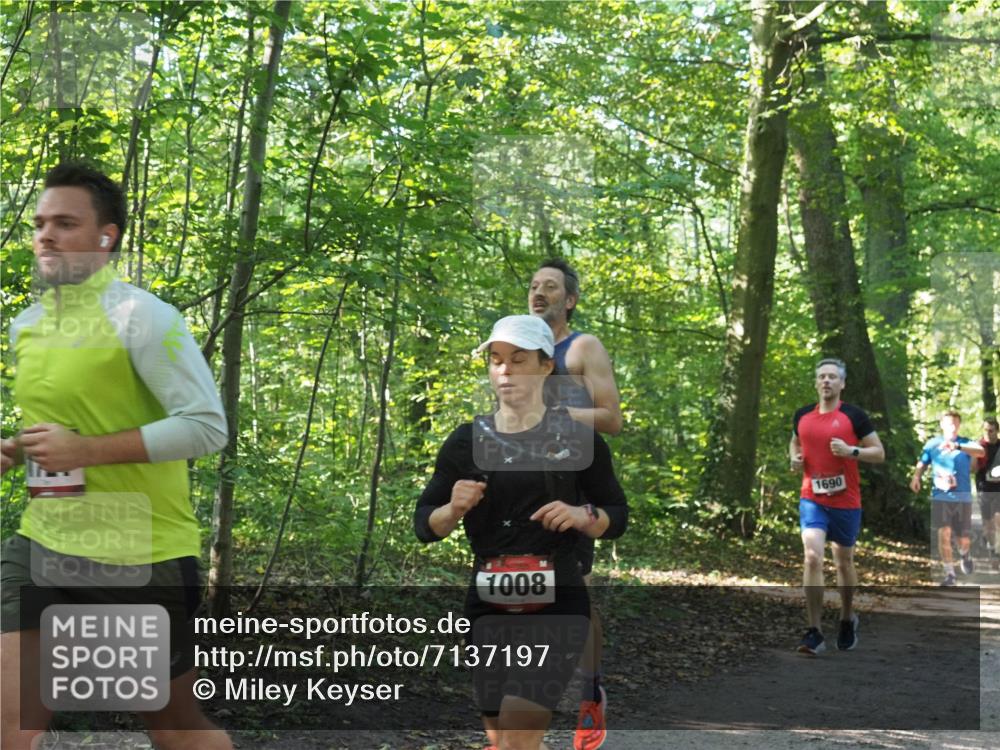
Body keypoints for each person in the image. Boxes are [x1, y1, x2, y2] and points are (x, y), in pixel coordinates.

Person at [0, 163, 231, 749]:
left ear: (108, 237)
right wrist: (17, 450)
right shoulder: (27, 326)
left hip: (137, 552)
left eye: (66, 223)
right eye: (41, 223)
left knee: (176, 730)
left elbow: (206, 427)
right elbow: (61, 430)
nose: (46, 235)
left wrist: (87, 450)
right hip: (42, 541)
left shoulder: (144, 318)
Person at [414, 315, 628, 750]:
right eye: (496, 361)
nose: (505, 370)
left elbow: (617, 514)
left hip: (558, 598)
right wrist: (452, 509)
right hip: (487, 604)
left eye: (517, 359)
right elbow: (424, 525)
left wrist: (584, 514)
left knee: (516, 729)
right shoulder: (465, 441)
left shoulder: (578, 438)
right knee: (503, 739)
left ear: (546, 366)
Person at [529, 258, 621, 750]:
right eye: (534, 286)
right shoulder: (520, 345)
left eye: (550, 287)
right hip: (519, 482)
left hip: (572, 487)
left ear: (570, 300)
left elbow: (612, 418)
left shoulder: (582, 347)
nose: (539, 293)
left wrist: (560, 411)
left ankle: (589, 692)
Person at [789, 358, 885, 655]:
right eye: (822, 377)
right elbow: (795, 443)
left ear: (842, 384)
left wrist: (851, 451)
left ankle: (846, 618)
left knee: (843, 562)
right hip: (812, 498)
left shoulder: (854, 416)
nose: (826, 381)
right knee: (812, 558)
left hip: (846, 501)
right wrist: (794, 458)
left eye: (832, 377)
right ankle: (814, 631)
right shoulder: (802, 415)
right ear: (816, 382)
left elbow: (879, 453)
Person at [911, 411, 986, 585]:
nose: (952, 427)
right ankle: (950, 574)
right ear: (942, 425)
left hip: (962, 497)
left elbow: (981, 452)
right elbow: (923, 462)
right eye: (948, 423)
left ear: (959, 425)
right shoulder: (933, 444)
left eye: (955, 424)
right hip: (941, 495)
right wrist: (916, 477)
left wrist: (958, 447)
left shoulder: (965, 443)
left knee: (963, 538)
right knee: (943, 533)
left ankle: (964, 554)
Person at [975, 417, 1000, 570]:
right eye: (985, 430)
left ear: (997, 431)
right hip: (984, 489)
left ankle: (997, 553)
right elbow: (973, 468)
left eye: (991, 430)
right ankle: (991, 547)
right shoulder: (979, 447)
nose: (988, 433)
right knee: (988, 525)